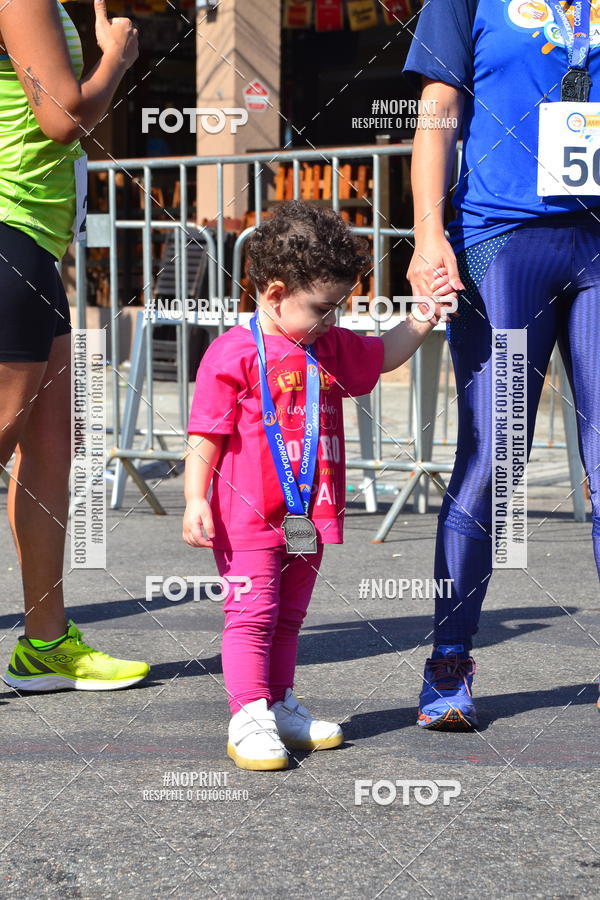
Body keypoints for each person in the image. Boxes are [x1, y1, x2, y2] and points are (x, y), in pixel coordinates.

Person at [182, 201, 454, 770]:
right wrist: (193, 498)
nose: (333, 320)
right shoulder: (232, 353)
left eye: (339, 308)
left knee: (288, 617)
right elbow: (206, 434)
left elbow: (383, 355)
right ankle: (248, 716)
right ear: (276, 293)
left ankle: (278, 704)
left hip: (309, 514)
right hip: (247, 517)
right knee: (252, 615)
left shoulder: (326, 345)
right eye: (323, 309)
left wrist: (425, 316)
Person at [403, 0, 600, 728]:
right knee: (496, 455)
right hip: (501, 239)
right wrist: (428, 234)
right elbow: (439, 107)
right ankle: (449, 660)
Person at [0, 0, 149, 691]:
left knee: (52, 445)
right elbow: (61, 118)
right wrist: (115, 58)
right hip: (11, 232)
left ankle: (45, 642)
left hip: (35, 239)